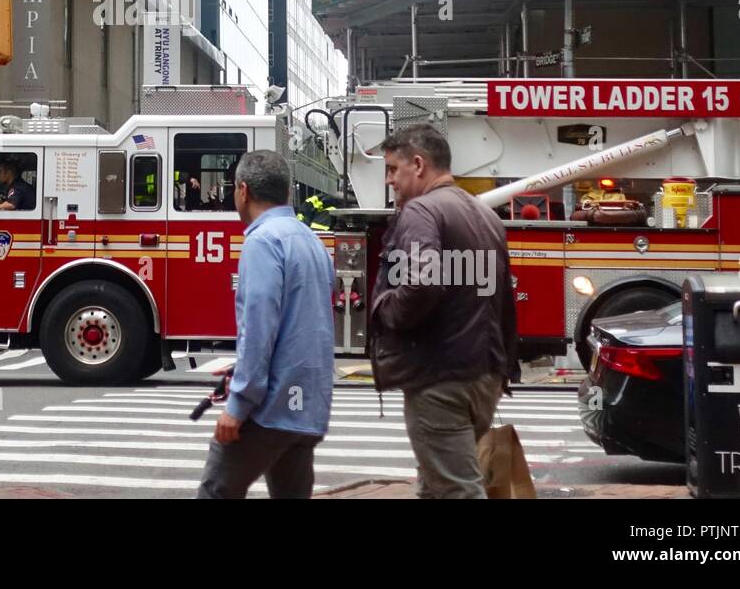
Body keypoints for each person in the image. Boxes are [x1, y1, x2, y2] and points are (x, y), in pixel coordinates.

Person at [369, 124, 520, 499]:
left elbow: (423, 281)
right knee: (434, 484)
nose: (390, 180)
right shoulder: (486, 216)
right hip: (482, 373)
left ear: (418, 164)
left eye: (393, 169)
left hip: (439, 377)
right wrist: (502, 369)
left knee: (457, 489)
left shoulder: (421, 211)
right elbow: (501, 299)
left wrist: (385, 309)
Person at [196, 150, 335, 500]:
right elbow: (304, 326)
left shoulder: (262, 242)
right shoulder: (312, 242)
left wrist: (238, 404)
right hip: (307, 407)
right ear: (287, 193)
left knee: (216, 491)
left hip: (268, 409)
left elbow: (259, 325)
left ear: (243, 191)